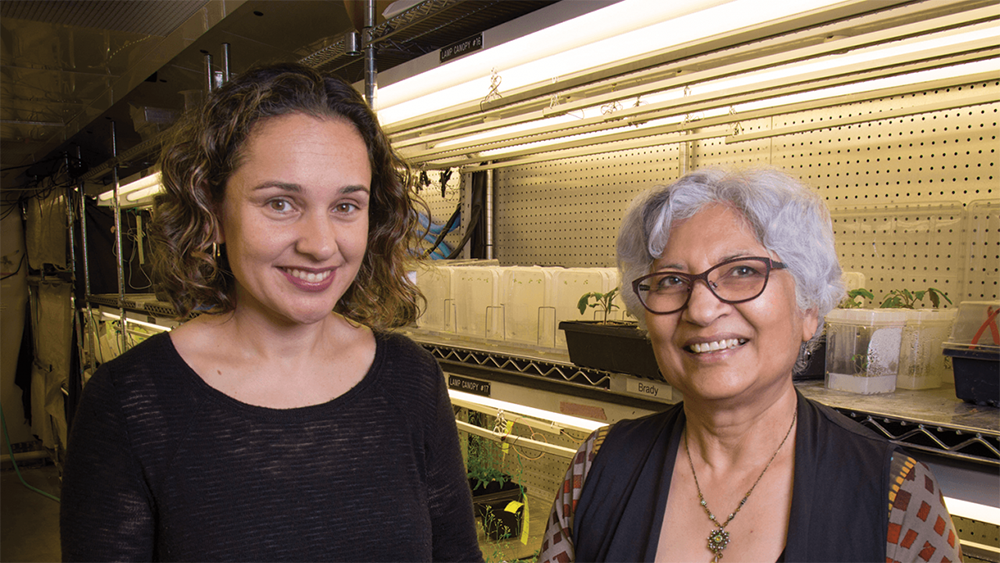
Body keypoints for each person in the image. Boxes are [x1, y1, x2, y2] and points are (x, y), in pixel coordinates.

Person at [61, 62, 484, 563]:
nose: (320, 245)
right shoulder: (130, 404)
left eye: (346, 206)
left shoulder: (412, 382)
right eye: (281, 203)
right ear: (212, 213)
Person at [539, 168, 961, 563]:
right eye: (671, 280)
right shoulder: (595, 469)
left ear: (808, 306)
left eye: (742, 270)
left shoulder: (895, 497)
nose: (701, 310)